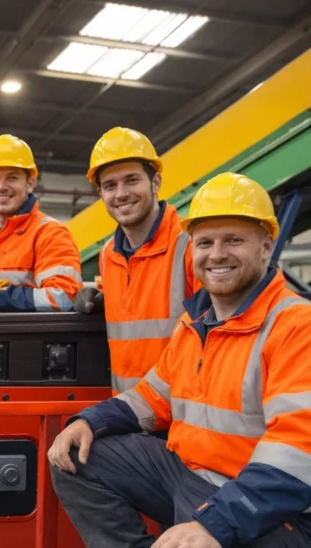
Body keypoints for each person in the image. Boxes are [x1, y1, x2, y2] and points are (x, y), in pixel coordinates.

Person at [47, 172, 311, 548]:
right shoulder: (198, 324)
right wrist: (89, 420)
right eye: (206, 241)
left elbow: (307, 453)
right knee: (77, 458)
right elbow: (156, 394)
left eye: (234, 240)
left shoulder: (302, 330)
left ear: (266, 244)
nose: (218, 254)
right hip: (198, 481)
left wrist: (216, 524)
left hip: (291, 520)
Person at [73, 127, 200, 394]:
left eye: (131, 180)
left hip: (181, 412)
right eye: (110, 185)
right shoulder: (109, 254)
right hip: (128, 409)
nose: (121, 193)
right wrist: (99, 299)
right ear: (101, 194)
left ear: (155, 183)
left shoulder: (191, 245)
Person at [0, 134, 82, 313]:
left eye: (12, 177)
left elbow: (63, 297)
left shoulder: (50, 233)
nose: (2, 186)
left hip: (31, 341)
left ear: (30, 183)